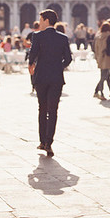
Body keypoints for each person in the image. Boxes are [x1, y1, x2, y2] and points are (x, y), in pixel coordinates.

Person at [28, 9, 72, 158]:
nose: (39, 23)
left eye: (40, 20)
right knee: (53, 111)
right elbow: (68, 59)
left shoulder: (37, 36)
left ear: (46, 20)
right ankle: (49, 142)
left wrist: (31, 65)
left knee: (42, 108)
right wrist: (58, 67)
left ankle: (42, 141)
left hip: (41, 77)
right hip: (56, 78)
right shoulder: (63, 38)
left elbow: (32, 54)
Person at [92, 22, 110, 100]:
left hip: (101, 58)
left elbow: (95, 48)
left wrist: (97, 57)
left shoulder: (98, 37)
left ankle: (101, 93)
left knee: (103, 77)